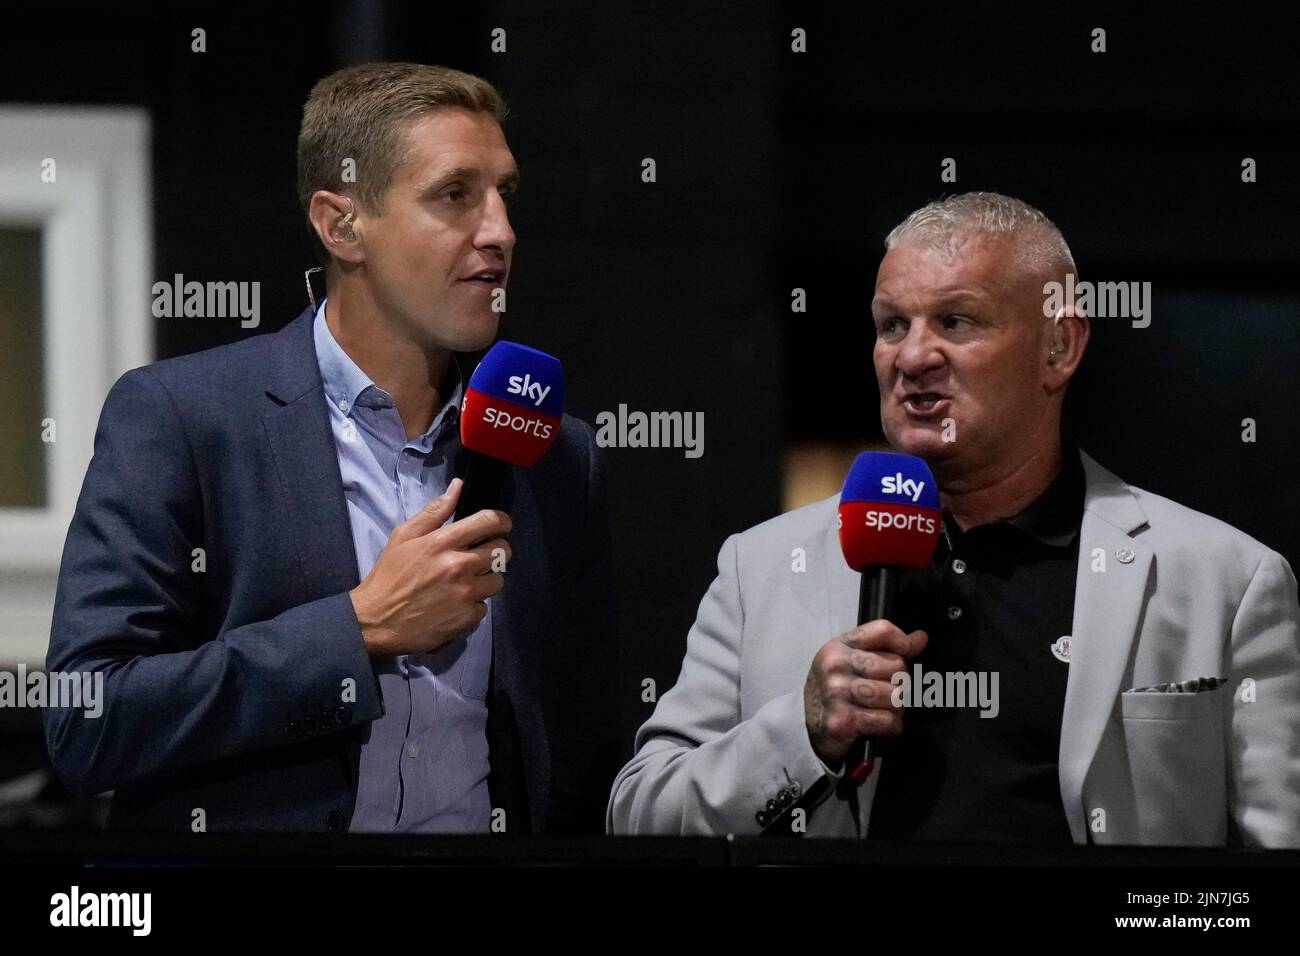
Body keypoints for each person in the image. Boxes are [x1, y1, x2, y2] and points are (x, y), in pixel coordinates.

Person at [608, 191, 1300, 846]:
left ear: (1059, 348)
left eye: (956, 321)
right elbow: (641, 814)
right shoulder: (761, 567)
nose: (911, 357)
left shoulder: (1226, 582)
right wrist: (803, 732)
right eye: (891, 325)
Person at [44, 62, 618, 835]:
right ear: (341, 224)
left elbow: (579, 750)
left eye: (504, 195)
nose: (500, 233)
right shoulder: (182, 419)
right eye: (455, 195)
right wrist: (357, 630)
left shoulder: (553, 452)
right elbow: (89, 720)